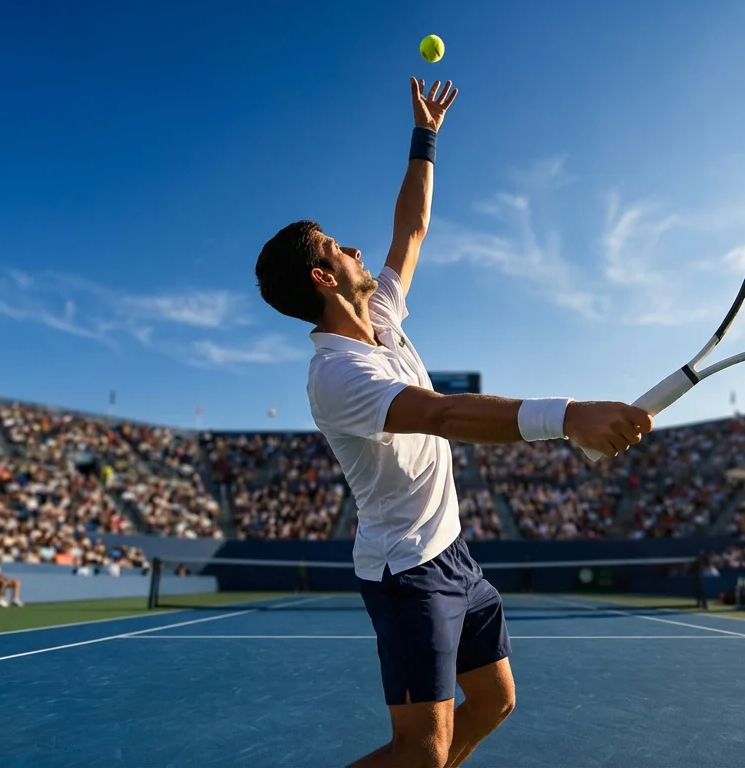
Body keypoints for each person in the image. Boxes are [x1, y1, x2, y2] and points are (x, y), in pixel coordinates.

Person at [254, 78, 653, 768]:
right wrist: (570, 415)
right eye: (340, 248)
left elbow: (411, 228)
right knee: (421, 750)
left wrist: (425, 136)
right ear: (323, 279)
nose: (356, 251)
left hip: (454, 553)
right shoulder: (338, 375)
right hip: (407, 571)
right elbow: (440, 414)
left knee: (496, 702)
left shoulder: (380, 318)